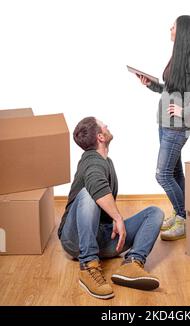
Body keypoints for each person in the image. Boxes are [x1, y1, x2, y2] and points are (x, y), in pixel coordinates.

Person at [57, 117, 164, 299]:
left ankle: (132, 264)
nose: (107, 126)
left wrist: (115, 220)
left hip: (102, 237)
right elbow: (95, 183)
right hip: (74, 239)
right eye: (104, 125)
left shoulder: (107, 161)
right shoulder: (91, 160)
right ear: (101, 136)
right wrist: (118, 218)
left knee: (155, 213)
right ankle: (88, 266)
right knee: (88, 193)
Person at [138, 15, 190, 241]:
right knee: (175, 173)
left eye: (174, 26)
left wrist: (186, 111)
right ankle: (182, 214)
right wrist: (151, 84)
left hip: (177, 128)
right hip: (164, 125)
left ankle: (183, 218)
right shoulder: (178, 56)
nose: (170, 28)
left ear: (183, 33)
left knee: (162, 175)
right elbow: (170, 90)